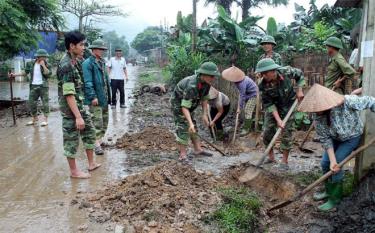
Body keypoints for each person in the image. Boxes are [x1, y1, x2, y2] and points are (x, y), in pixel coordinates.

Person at [298, 84, 375, 211]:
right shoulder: (317, 116)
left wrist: (335, 162)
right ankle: (329, 191)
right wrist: (331, 161)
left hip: (351, 137)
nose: (317, 111)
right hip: (334, 138)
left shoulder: (347, 101)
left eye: (319, 108)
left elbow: (370, 101)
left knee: (338, 162)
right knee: (325, 163)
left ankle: (335, 198)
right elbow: (325, 139)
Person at [57, 30, 101, 179]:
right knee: (71, 139)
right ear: (72, 46)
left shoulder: (76, 61)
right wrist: (77, 117)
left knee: (89, 132)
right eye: (81, 44)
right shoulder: (66, 66)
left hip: (80, 105)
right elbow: (68, 94)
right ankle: (74, 172)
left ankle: (91, 163)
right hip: (71, 111)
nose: (84, 47)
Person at [256, 58, 305, 170]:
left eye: (273, 71)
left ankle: (284, 162)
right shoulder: (262, 85)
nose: (264, 76)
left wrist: (299, 89)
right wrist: (278, 120)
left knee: (286, 133)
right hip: (274, 108)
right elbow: (269, 105)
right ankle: (271, 157)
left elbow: (300, 75)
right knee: (267, 132)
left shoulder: (286, 71)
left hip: (289, 106)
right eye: (264, 73)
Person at [170, 62, 219, 162]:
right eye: (211, 76)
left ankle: (197, 150)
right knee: (184, 126)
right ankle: (182, 155)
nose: (213, 78)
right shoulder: (192, 86)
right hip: (179, 104)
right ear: (203, 74)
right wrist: (190, 123)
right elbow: (184, 107)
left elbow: (204, 98)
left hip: (190, 104)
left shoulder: (207, 83)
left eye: (214, 76)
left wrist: (204, 114)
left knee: (193, 127)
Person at [82, 39, 111, 155]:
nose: (102, 51)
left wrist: (111, 94)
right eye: (100, 49)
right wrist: (93, 96)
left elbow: (106, 80)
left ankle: (99, 140)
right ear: (93, 49)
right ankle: (96, 145)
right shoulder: (88, 63)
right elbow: (88, 82)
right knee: (97, 122)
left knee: (105, 121)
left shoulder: (102, 62)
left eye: (103, 49)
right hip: (95, 98)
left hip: (104, 97)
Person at [9, 49, 51, 126]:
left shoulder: (47, 64)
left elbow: (48, 75)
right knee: (31, 103)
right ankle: (35, 118)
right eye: (43, 57)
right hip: (33, 86)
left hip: (43, 86)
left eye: (45, 57)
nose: (45, 58)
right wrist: (14, 75)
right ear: (38, 57)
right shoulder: (30, 64)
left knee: (45, 103)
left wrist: (43, 66)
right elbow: (25, 72)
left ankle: (45, 120)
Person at [222, 66, 258, 137]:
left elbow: (242, 96)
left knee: (248, 111)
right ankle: (245, 125)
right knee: (247, 111)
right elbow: (242, 94)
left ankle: (246, 129)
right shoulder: (237, 81)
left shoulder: (242, 83)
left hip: (253, 95)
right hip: (248, 93)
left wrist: (239, 107)